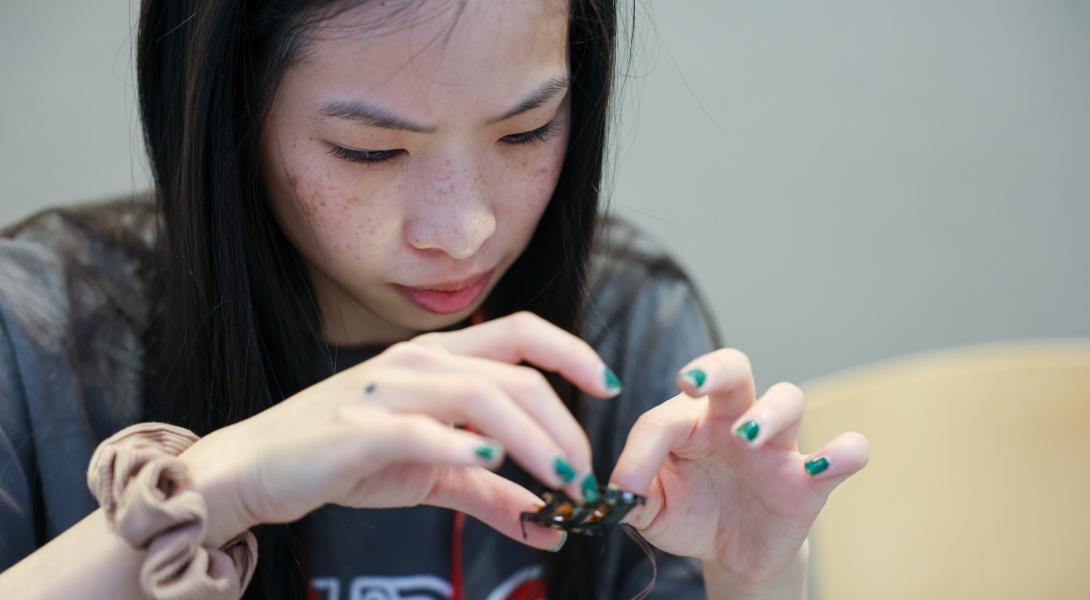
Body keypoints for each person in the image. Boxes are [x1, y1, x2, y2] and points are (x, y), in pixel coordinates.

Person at [0, 0, 870, 598]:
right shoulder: (40, 340)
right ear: (226, 113)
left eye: (527, 130)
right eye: (369, 151)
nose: (463, 228)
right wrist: (219, 489)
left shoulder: (621, 323)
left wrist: (750, 581)